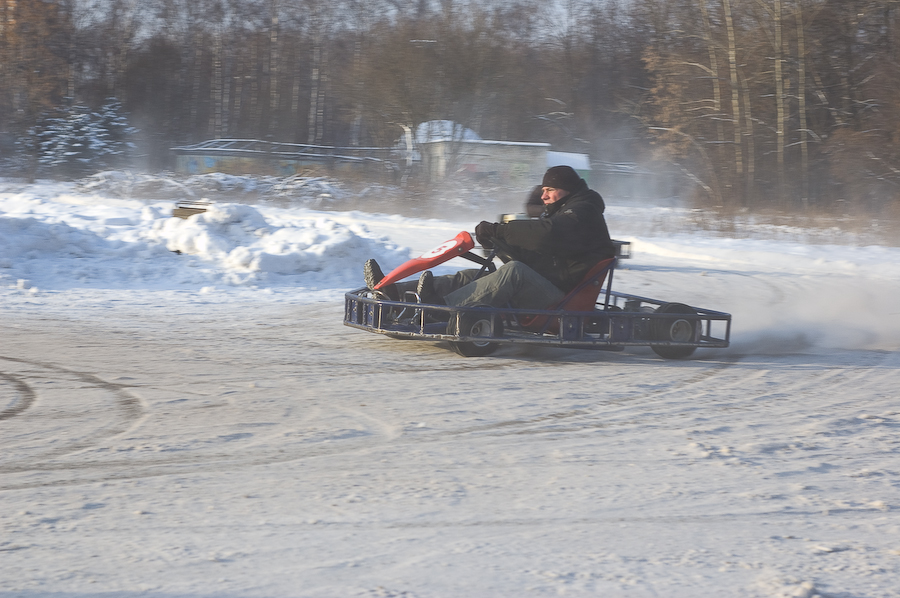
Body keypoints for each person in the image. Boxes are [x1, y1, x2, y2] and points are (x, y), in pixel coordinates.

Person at [364, 165, 616, 312]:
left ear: (567, 190)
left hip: (563, 298)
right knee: (473, 275)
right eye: (543, 190)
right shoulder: (565, 212)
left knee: (514, 272)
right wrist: (503, 244)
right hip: (550, 283)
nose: (543, 196)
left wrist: (501, 231)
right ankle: (395, 293)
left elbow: (547, 234)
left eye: (550, 190)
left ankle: (439, 309)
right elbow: (546, 249)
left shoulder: (583, 212)